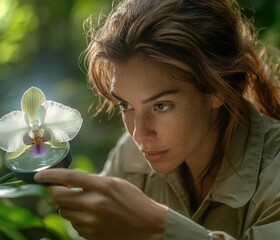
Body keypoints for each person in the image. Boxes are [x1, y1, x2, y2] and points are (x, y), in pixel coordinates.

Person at [34, 0, 280, 239]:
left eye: (161, 106)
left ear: (218, 89)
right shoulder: (131, 156)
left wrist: (158, 229)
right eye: (125, 105)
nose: (139, 134)